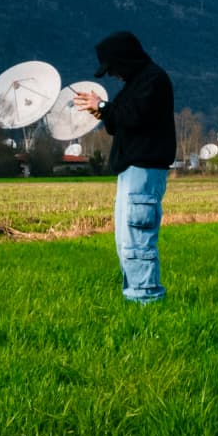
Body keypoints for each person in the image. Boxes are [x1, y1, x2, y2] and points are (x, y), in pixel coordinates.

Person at [72, 31, 176, 303]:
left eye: (113, 68)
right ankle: (136, 296)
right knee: (126, 239)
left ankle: (146, 300)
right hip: (133, 172)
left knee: (137, 239)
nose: (113, 75)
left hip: (143, 171)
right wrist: (103, 111)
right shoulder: (138, 82)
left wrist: (104, 106)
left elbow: (134, 115)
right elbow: (120, 121)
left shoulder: (153, 80)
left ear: (124, 59)